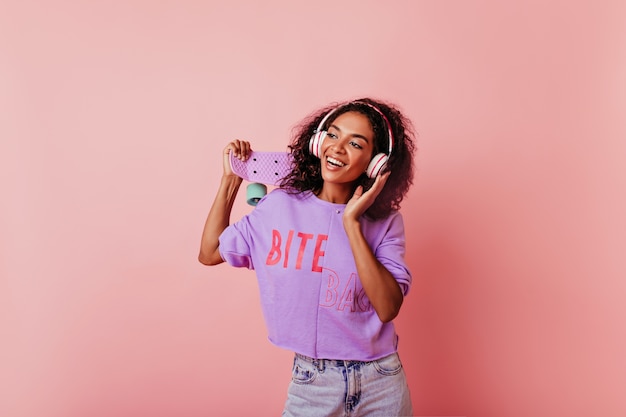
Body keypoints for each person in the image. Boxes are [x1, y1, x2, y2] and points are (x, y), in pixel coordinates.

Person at [198, 98, 417, 416]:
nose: (337, 148)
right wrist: (231, 179)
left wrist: (352, 224)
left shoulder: (385, 223)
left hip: (381, 381)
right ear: (317, 141)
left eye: (355, 143)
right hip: (313, 381)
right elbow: (210, 253)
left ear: (376, 163)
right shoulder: (279, 206)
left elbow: (387, 307)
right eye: (332, 134)